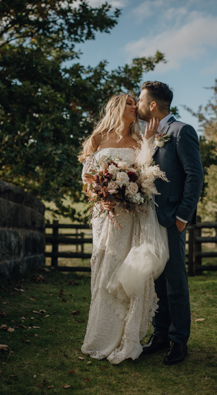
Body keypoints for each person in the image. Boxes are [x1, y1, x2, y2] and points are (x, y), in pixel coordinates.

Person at [79, 94, 169, 364]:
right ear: (117, 107)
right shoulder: (97, 139)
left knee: (126, 269)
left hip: (131, 215)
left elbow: (144, 173)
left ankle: (126, 337)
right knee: (104, 267)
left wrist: (150, 139)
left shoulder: (140, 139)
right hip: (104, 215)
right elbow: (87, 179)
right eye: (130, 103)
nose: (135, 106)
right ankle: (100, 335)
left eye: (135, 102)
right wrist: (100, 196)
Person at [136, 81, 204, 365]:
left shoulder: (181, 131)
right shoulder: (147, 133)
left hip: (171, 220)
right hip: (149, 220)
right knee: (157, 281)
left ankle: (178, 340)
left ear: (153, 105)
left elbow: (194, 176)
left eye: (140, 99)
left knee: (175, 282)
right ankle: (161, 334)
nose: (137, 104)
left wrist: (182, 217)